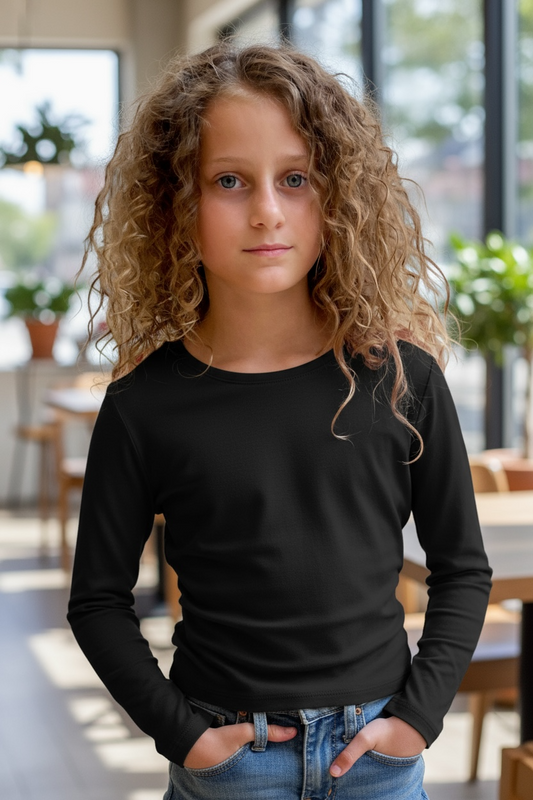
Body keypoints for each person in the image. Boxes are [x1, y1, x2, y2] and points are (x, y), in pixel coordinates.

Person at [67, 41, 492, 800]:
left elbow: (462, 568)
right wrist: (185, 737)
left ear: (335, 197)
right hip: (229, 760)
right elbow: (97, 601)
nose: (266, 210)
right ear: (178, 208)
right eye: (229, 180)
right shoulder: (143, 403)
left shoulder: (400, 379)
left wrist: (416, 721)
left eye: (295, 179)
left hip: (378, 757)